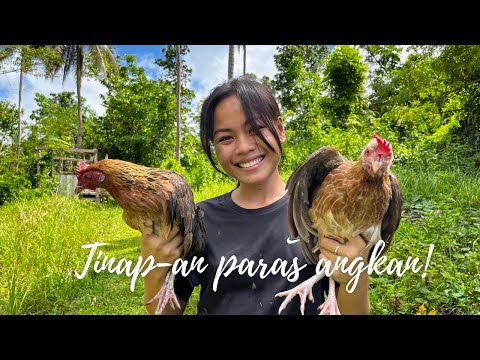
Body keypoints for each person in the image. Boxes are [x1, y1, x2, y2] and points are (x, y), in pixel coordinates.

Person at [141, 76, 371, 315]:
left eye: (256, 129)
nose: (243, 147)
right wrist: (155, 269)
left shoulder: (317, 213)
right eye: (226, 138)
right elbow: (166, 311)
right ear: (214, 147)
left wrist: (356, 275)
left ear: (280, 129)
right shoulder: (198, 220)